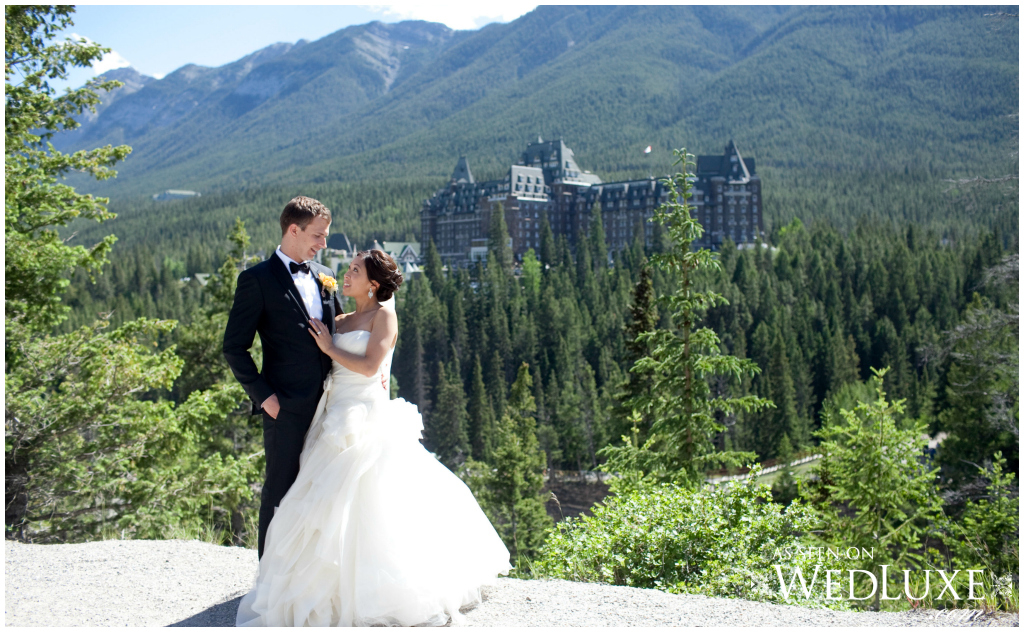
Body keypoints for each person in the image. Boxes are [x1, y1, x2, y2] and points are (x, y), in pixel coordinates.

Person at [235, 249, 511, 627]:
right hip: (330, 414)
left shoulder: (385, 316)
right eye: (347, 269)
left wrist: (331, 348)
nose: (345, 275)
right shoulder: (342, 317)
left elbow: (369, 366)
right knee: (317, 503)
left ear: (374, 284)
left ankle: (371, 591)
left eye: (354, 271)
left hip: (364, 416)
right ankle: (315, 587)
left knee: (369, 502)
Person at [223, 196, 341, 559]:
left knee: (324, 488)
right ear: (294, 230)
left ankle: (308, 574)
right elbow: (234, 347)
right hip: (285, 407)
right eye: (318, 236)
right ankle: (269, 579)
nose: (323, 244)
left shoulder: (325, 276)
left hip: (331, 406)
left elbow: (339, 332)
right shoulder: (256, 280)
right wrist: (266, 398)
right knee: (280, 489)